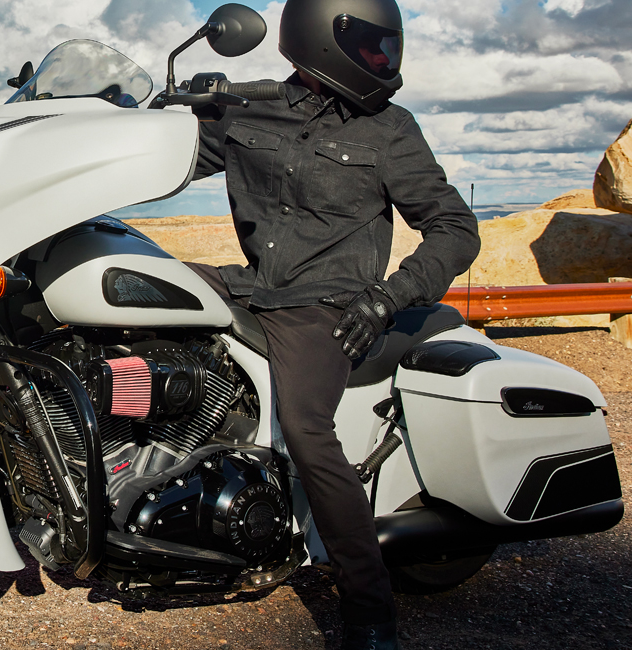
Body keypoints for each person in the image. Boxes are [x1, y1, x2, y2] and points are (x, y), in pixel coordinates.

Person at [189, 0, 480, 647]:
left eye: (387, 47)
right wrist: (166, 115)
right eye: (373, 46)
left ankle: (370, 613)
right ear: (324, 39)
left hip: (327, 304)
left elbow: (455, 229)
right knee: (130, 289)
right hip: (252, 285)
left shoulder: (389, 128)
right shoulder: (247, 108)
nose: (383, 60)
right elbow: (164, 161)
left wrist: (388, 297)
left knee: (307, 427)